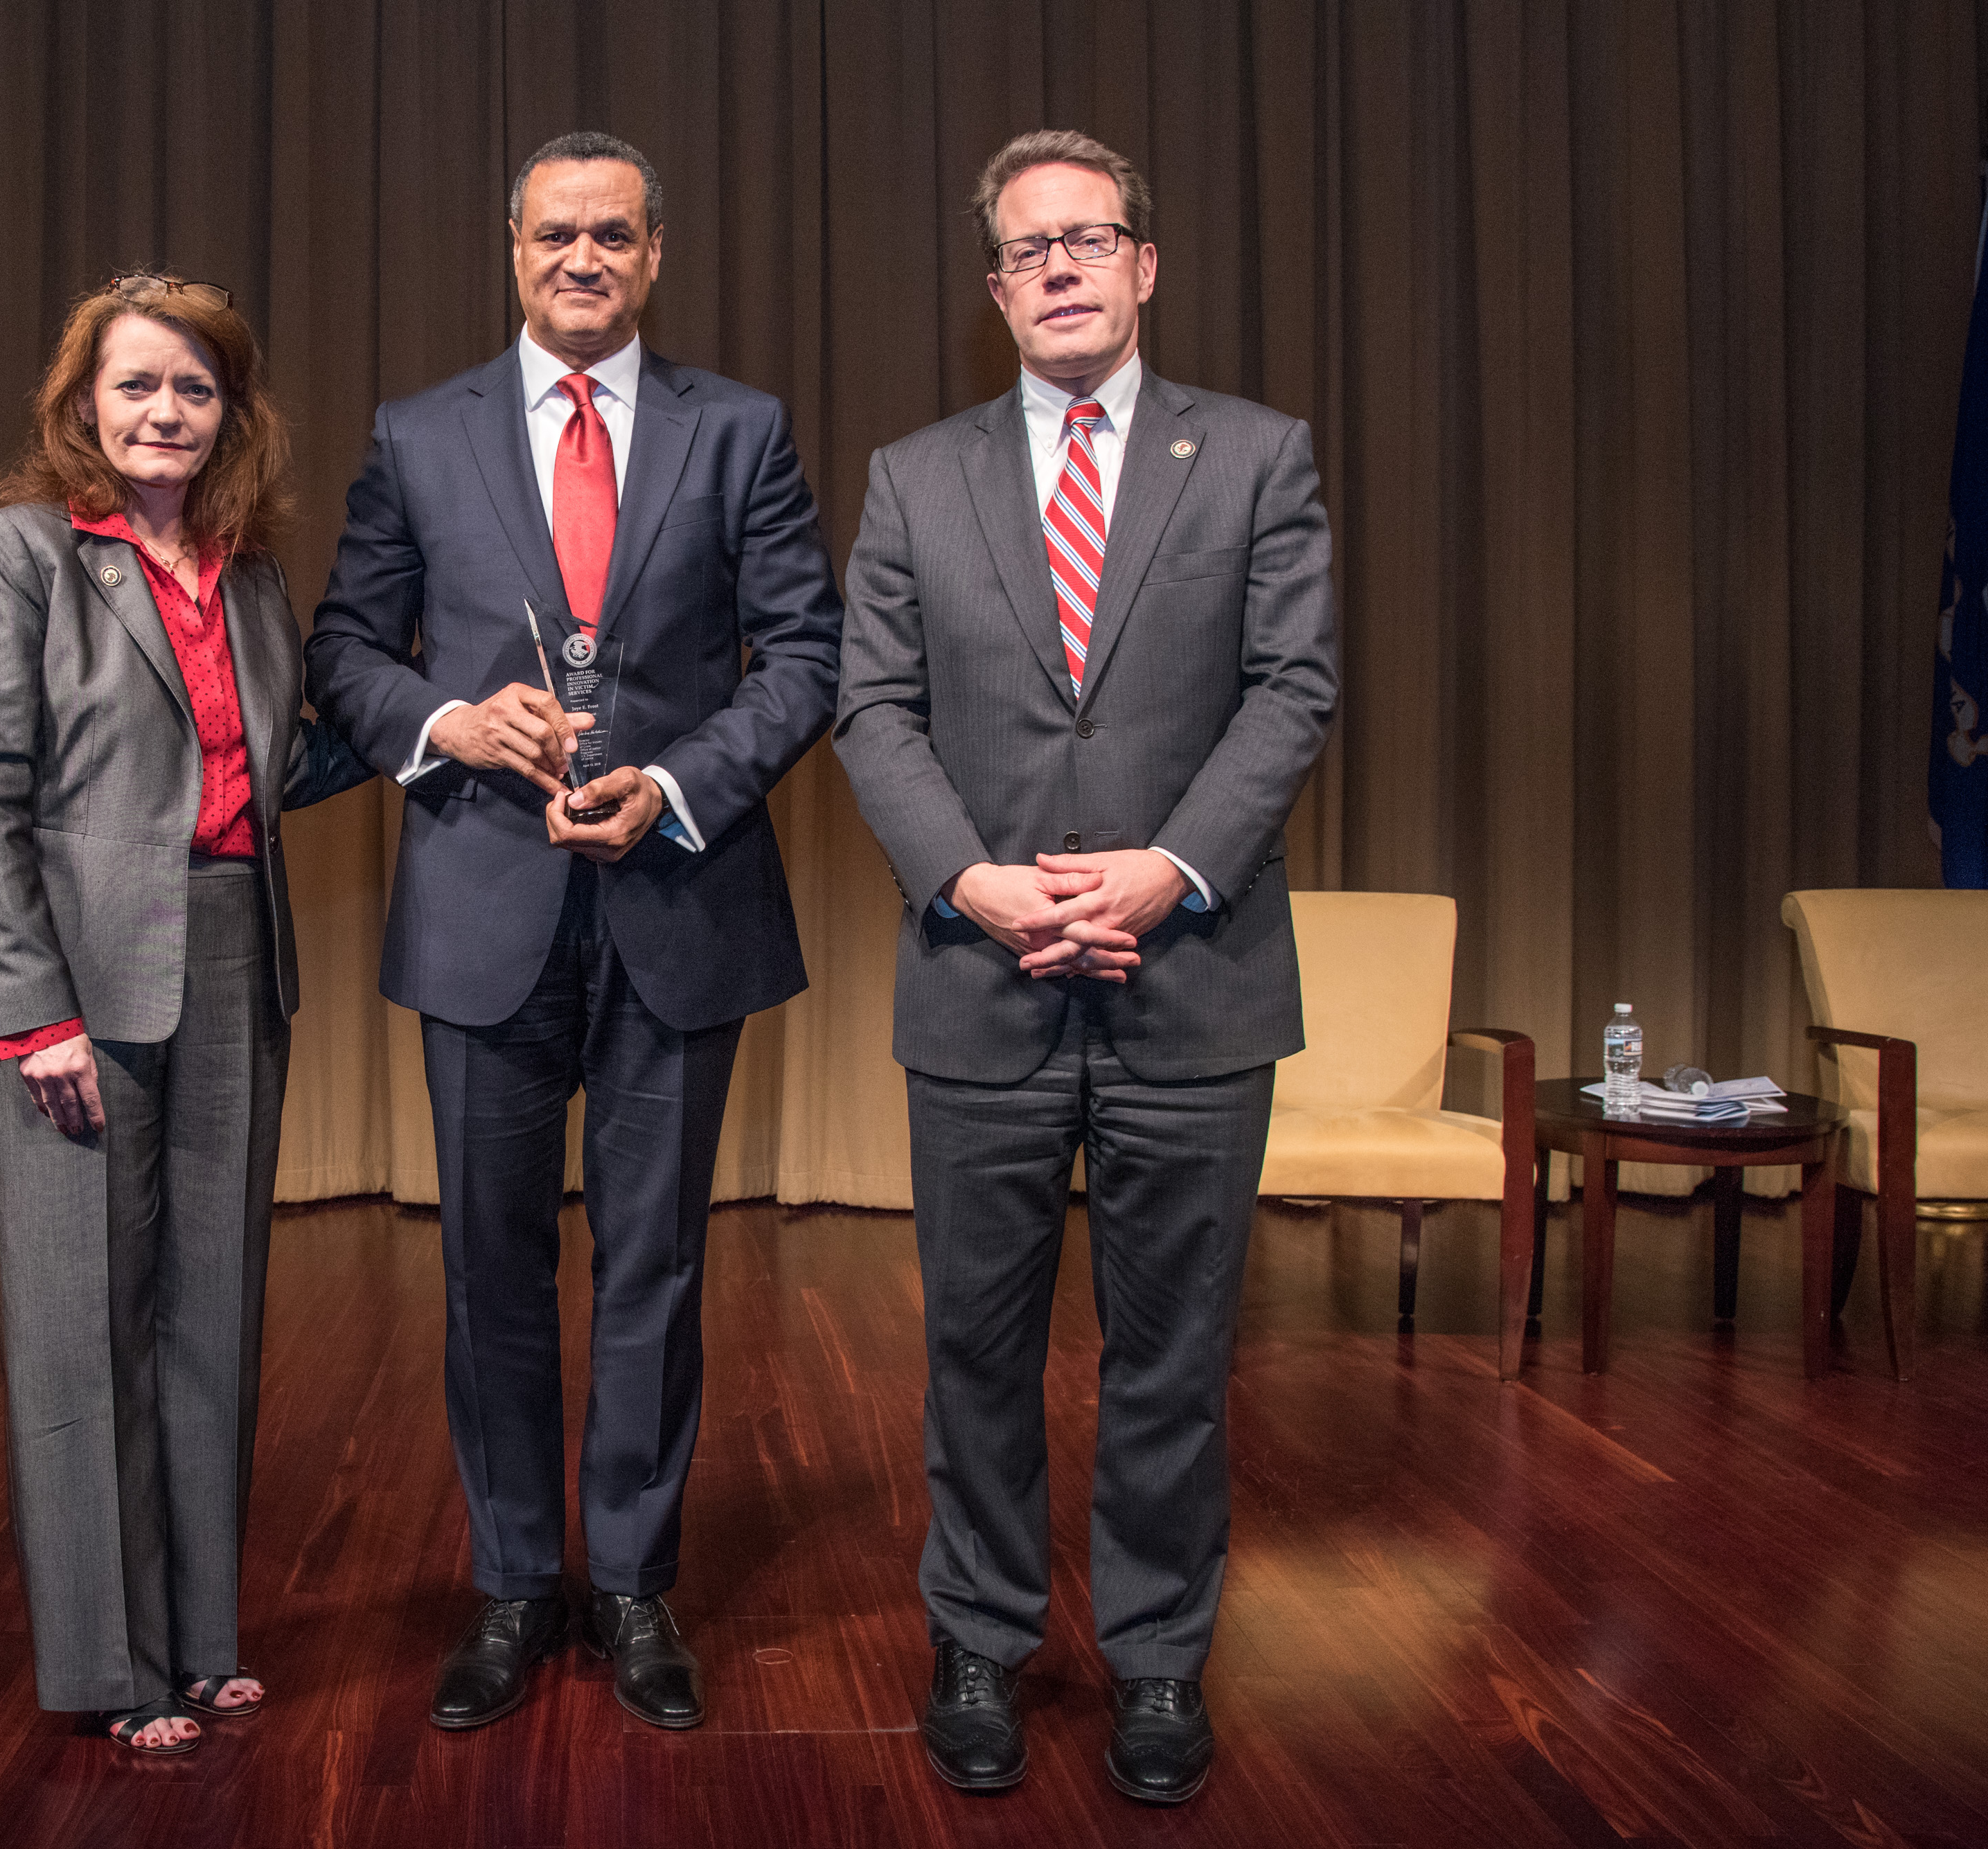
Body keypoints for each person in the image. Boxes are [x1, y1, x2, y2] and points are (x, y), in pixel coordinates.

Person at [305, 131, 842, 1733]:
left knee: (655, 1269)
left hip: (678, 892)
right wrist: (449, 724)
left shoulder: (738, 429)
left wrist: (678, 780)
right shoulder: (419, 434)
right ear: (514, 250)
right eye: (556, 235)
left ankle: (631, 1586)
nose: (583, 258)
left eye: (613, 234)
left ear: (654, 254)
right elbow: (343, 644)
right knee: (487, 1269)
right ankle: (513, 1587)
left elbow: (804, 654)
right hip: (483, 906)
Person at [833, 130, 1339, 1803]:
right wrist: (973, 883)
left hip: (1188, 984)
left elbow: (1289, 692)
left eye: (1089, 237)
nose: (1059, 266)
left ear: (1141, 267)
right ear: (994, 289)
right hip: (978, 980)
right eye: (1027, 247)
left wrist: (1166, 871)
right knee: (972, 1351)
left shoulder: (1255, 458)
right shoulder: (914, 477)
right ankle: (975, 1639)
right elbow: (873, 710)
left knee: (1171, 1356)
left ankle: (1157, 1664)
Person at [0, 270, 369, 1756]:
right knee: (78, 1334)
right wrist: (29, 1010)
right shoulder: (21, 554)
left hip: (231, 953)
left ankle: (199, 1640)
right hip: (61, 979)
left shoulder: (245, 571)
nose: (164, 411)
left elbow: (259, 765)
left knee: (210, 1320)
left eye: (193, 388)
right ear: (81, 404)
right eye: (135, 385)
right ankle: (109, 1668)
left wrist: (435, 732)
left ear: (229, 411)